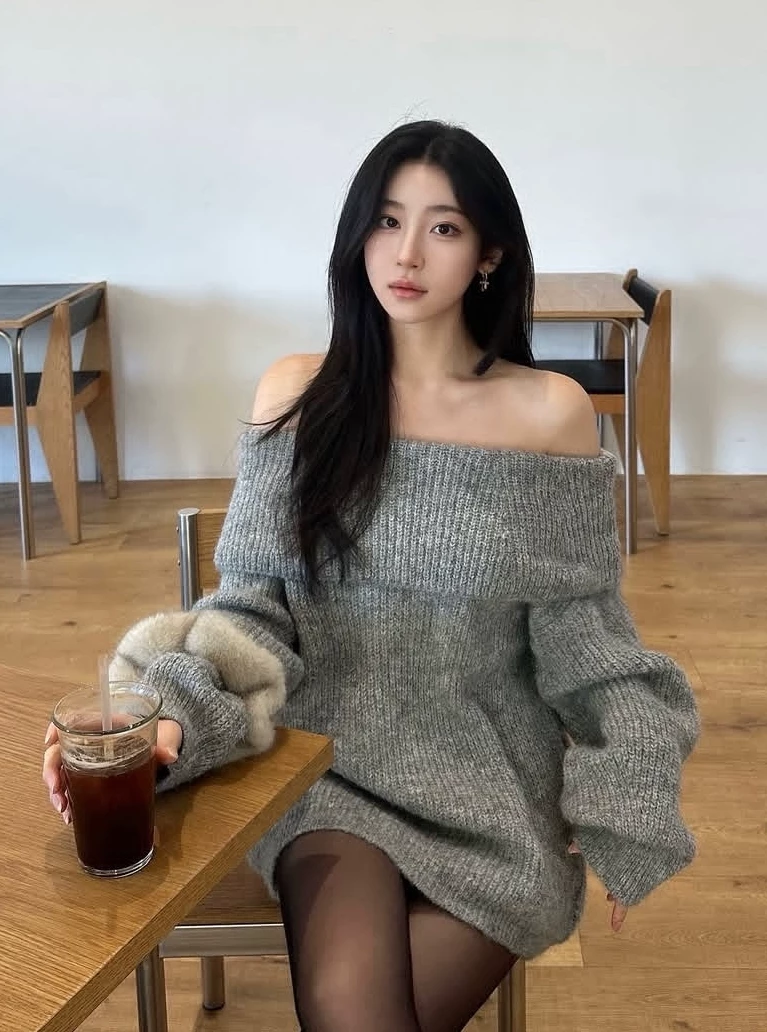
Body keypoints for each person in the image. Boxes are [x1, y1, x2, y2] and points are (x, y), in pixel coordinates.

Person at [43, 120, 700, 1032]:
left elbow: (586, 642)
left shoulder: (547, 413)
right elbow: (252, 610)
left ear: (487, 254)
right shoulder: (297, 395)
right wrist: (170, 719)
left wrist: (624, 796)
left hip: (494, 785)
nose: (406, 253)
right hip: (327, 772)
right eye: (386, 221)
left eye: (443, 227)